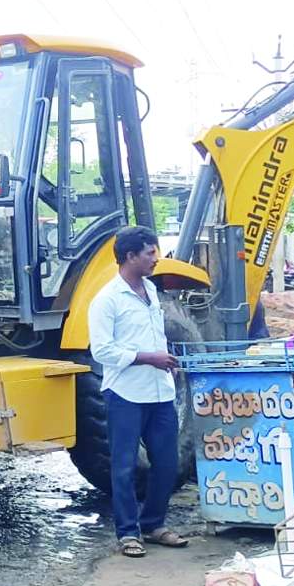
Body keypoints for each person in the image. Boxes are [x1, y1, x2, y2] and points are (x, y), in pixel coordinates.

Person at [88, 226, 188, 559]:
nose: (156, 259)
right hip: (126, 394)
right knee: (125, 467)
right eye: (149, 253)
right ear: (130, 256)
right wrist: (148, 358)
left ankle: (154, 524)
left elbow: (155, 336)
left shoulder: (150, 291)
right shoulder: (106, 300)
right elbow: (102, 351)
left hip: (160, 392)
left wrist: (167, 361)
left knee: (167, 464)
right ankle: (128, 533)